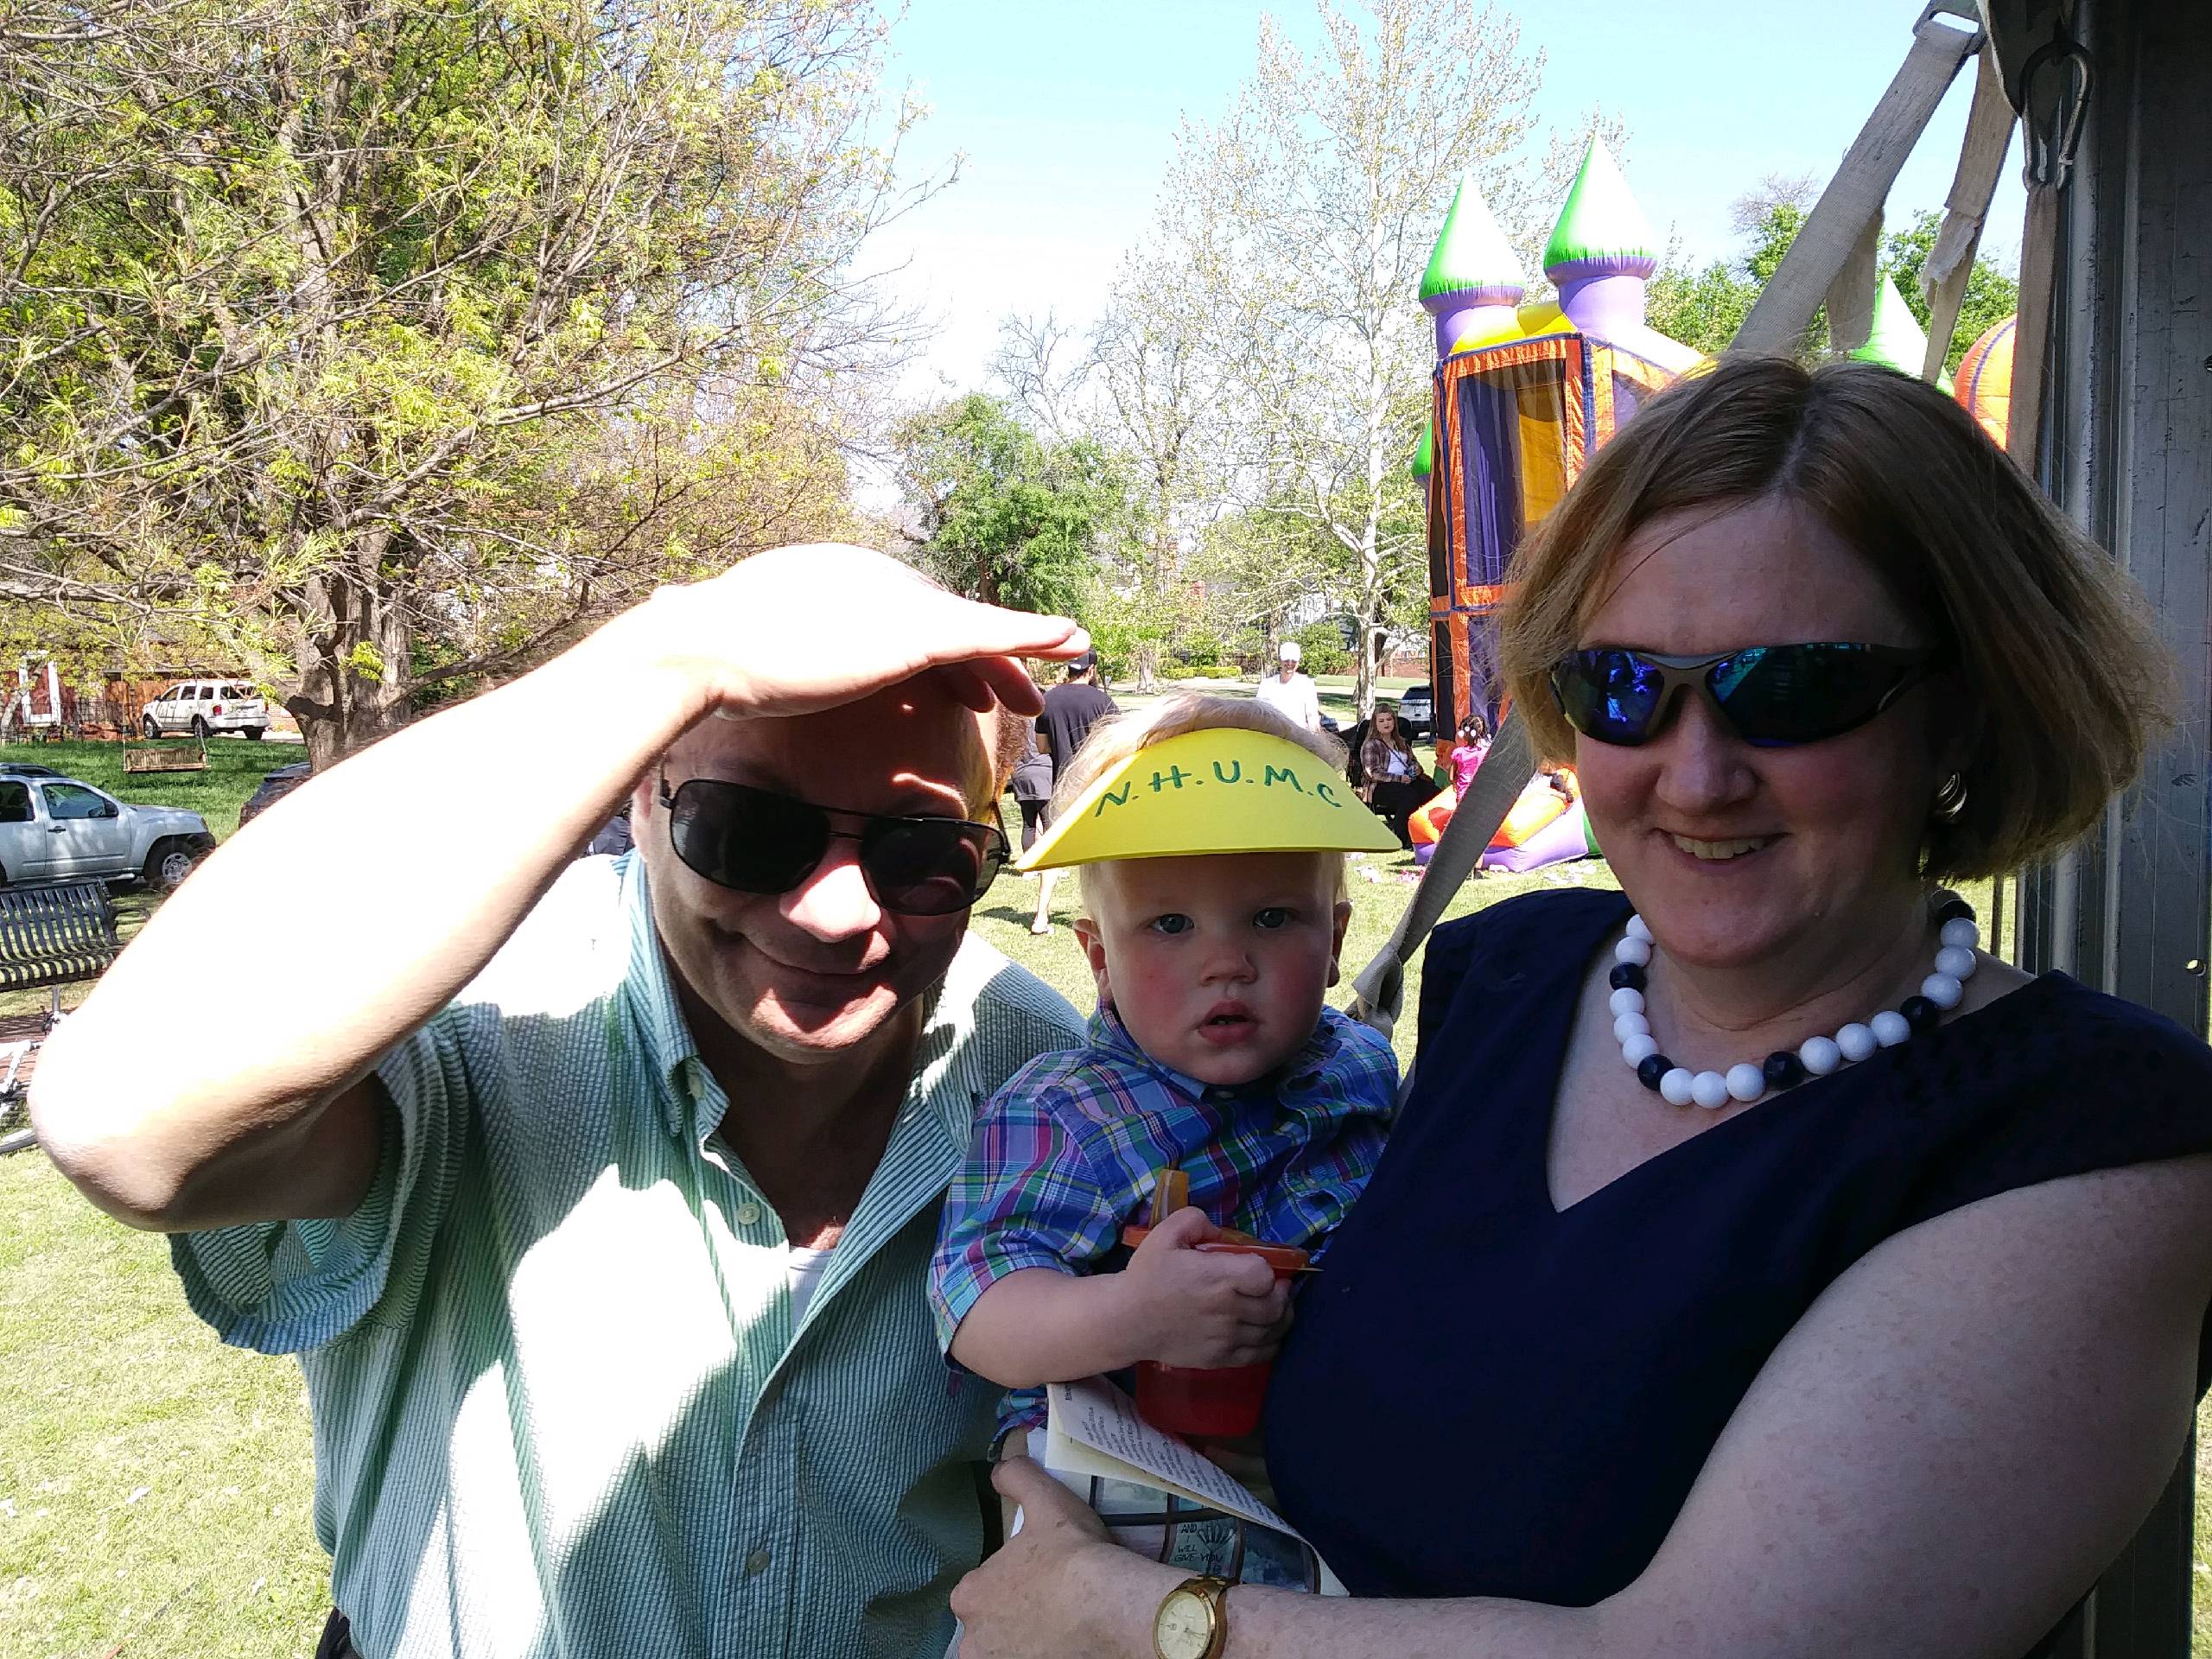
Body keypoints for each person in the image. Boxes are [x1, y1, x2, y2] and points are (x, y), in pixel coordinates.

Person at [946, 358, 2212, 1659]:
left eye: (1795, 689)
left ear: (1963, 712)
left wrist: (1140, 1617)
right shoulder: (1510, 977)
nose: (1698, 774)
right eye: (1624, 687)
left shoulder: (2092, 1143)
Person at [30, 544, 1096, 1659]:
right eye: (748, 829)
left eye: (922, 848)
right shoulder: (464, 1011)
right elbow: (118, 1123)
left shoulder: (1037, 1072)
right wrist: (668, 659)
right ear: (637, 799)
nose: (834, 912)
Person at [929, 696, 1400, 1446]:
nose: (1228, 965)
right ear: (1100, 960)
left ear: (1336, 937)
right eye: (1171, 926)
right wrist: (1135, 1316)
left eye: (1273, 919)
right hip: (1144, 1474)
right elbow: (977, 1308)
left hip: (1360, 1436)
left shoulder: (1360, 1065)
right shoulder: (1066, 1115)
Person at [1031, 650, 1118, 935]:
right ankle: (1104, 919)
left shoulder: (1049, 698)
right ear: (1091, 670)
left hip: (1062, 788)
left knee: (1055, 852)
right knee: (1101, 856)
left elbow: (1042, 746)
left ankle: (1041, 917)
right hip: (1095, 786)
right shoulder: (1102, 701)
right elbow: (1116, 745)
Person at [1355, 703, 1427, 848]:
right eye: (1381, 721)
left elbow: (1414, 762)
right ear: (1375, 724)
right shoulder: (1371, 745)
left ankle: (1427, 835)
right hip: (1380, 786)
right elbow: (1372, 773)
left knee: (1431, 791)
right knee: (1408, 796)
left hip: (1407, 780)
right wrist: (1398, 778)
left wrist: (1416, 769)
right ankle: (1401, 838)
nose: (1386, 723)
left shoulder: (1401, 742)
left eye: (1389, 719)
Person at [1251, 640, 1322, 733]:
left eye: (1294, 661)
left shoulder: (1306, 684)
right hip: (1271, 735)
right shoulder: (1267, 684)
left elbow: (1312, 716)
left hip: (1297, 738)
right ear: (1280, 660)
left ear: (1299, 661)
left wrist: (1315, 738)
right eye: (1286, 660)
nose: (1290, 664)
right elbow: (1259, 713)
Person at [1008, 728, 1053, 858]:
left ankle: (1028, 866)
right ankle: (1049, 864)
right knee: (1048, 822)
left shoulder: (1016, 726)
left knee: (1028, 824)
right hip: (1042, 773)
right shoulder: (1040, 724)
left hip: (1020, 775)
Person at [1446, 714, 1491, 796]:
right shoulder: (1487, 753)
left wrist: (1458, 781)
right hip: (1483, 796)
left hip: (1463, 796)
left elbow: (1451, 777)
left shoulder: (1458, 753)